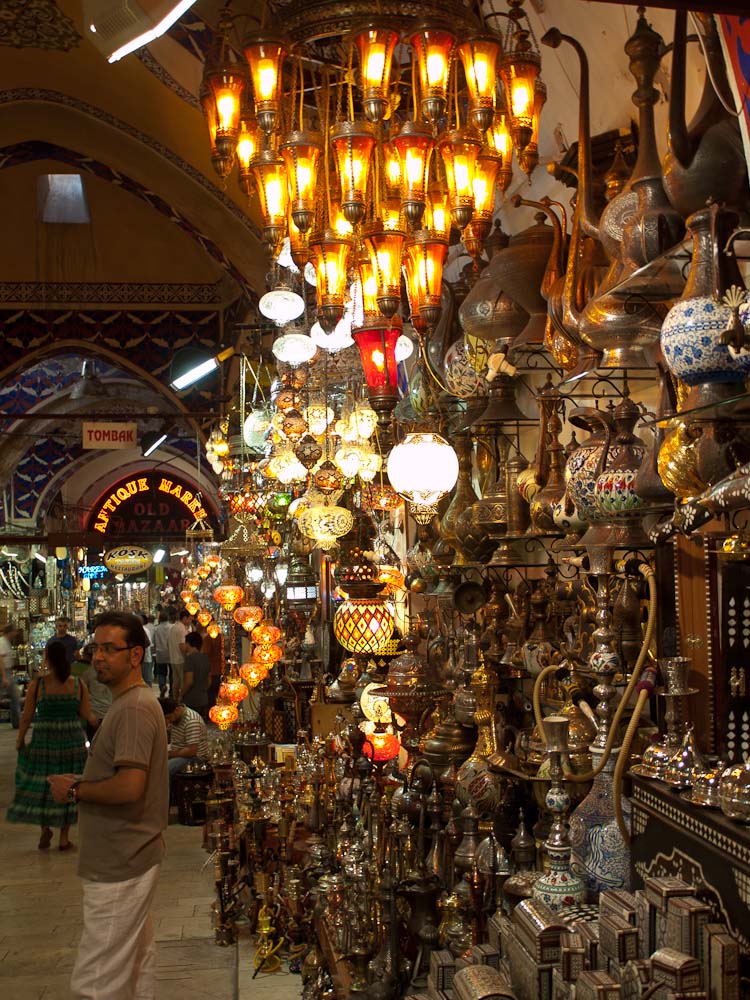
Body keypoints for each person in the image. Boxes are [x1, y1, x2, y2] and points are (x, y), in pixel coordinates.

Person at [48, 611, 168, 1000]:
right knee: (132, 965)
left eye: (109, 649)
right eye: (95, 648)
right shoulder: (128, 703)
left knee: (98, 979)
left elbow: (130, 787)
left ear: (135, 655)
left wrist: (76, 790)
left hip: (121, 857)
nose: (98, 657)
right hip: (125, 853)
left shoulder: (133, 708)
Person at [7, 641, 95, 851]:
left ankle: (45, 828)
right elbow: (87, 715)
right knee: (69, 784)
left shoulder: (39, 685)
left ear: (47, 657)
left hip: (44, 740)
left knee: (43, 783)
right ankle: (64, 837)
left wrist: (20, 739)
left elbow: (27, 716)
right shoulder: (77, 684)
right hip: (72, 741)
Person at [158, 697, 209, 783]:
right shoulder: (175, 718)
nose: (168, 720)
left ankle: (167, 791)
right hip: (178, 750)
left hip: (195, 757)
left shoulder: (191, 721)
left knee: (165, 769)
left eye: (168, 717)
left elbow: (191, 751)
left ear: (176, 710)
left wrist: (170, 754)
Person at [181, 631, 210, 719]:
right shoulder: (205, 658)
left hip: (191, 700)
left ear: (188, 644)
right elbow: (209, 680)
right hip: (204, 699)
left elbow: (189, 682)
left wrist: (181, 693)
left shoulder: (190, 659)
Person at [0, 622, 21, 728]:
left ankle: (17, 722)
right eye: (14, 631)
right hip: (3, 672)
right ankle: (17, 722)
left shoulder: (6, 642)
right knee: (14, 696)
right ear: (10, 632)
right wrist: (4, 676)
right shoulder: (2, 642)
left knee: (15, 696)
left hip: (6, 672)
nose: (16, 633)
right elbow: (0, 660)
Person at [167, 609, 190, 701]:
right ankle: (180, 699)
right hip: (180, 659)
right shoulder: (181, 629)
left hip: (173, 658)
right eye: (189, 619)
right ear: (184, 618)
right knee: (182, 681)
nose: (190, 621)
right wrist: (187, 656)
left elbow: (167, 643)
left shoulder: (173, 627)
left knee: (175, 681)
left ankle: (175, 699)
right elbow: (182, 646)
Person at [153, 610, 171, 697]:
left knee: (161, 672)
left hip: (160, 652)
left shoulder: (157, 628)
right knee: (171, 672)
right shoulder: (171, 627)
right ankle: (171, 689)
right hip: (170, 652)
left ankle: (162, 687)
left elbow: (154, 641)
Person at [141, 613, 156, 688]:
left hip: (145, 658)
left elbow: (148, 643)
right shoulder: (145, 630)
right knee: (146, 679)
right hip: (144, 658)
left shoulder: (145, 630)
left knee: (147, 679)